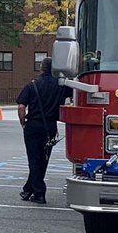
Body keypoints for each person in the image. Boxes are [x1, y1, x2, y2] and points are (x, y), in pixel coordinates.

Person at [16, 56, 72, 204]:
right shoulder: (61, 85)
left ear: (41, 67)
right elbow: (74, 96)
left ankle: (39, 193)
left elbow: (21, 106)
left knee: (34, 159)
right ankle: (28, 189)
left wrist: (23, 123)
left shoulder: (32, 85)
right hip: (50, 126)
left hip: (33, 125)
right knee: (43, 159)